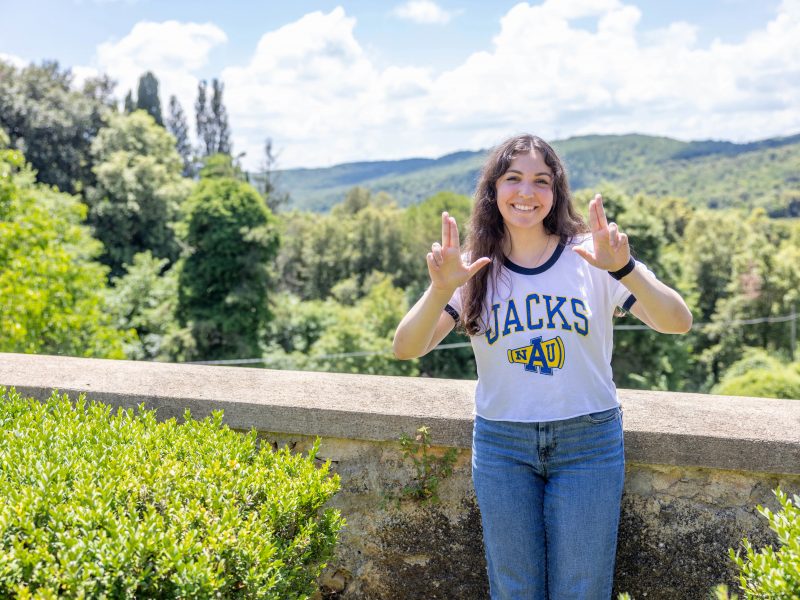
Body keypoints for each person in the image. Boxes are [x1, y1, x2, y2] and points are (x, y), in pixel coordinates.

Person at [392, 134, 692, 600]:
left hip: (587, 441)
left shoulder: (593, 255)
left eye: (541, 181)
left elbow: (678, 321)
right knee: (515, 590)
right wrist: (439, 290)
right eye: (513, 179)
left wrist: (625, 267)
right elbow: (407, 347)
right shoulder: (471, 268)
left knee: (583, 589)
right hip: (502, 446)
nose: (527, 193)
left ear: (557, 192)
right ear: (494, 190)